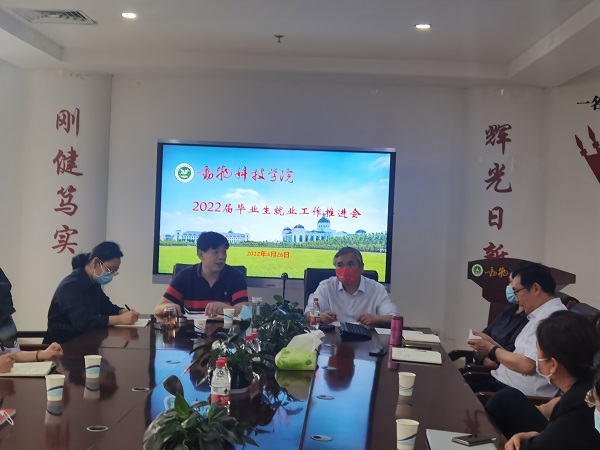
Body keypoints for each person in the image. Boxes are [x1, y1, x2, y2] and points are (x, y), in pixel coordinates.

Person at [492, 311, 600, 449]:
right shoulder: (590, 380)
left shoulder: (576, 412)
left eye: (538, 353)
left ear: (553, 365)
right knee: (507, 397)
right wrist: (535, 435)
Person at [467, 262, 566, 397]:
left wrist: (491, 349)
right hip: (500, 384)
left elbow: (528, 366)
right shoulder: (537, 315)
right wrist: (491, 343)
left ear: (536, 289)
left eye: (516, 291)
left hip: (514, 395)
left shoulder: (551, 319)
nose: (516, 298)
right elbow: (520, 356)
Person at [44, 241, 140, 344]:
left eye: (114, 272)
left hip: (85, 341)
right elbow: (81, 322)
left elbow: (105, 306)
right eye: (110, 269)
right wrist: (119, 319)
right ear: (95, 262)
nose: (111, 274)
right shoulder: (71, 285)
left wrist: (121, 311)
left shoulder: (93, 283)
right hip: (63, 346)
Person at [154, 231, 249, 318]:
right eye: (216, 252)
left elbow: (245, 313)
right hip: (190, 330)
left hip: (227, 331)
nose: (221, 257)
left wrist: (225, 308)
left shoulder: (236, 277)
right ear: (201, 254)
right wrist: (170, 307)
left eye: (224, 252)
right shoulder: (185, 276)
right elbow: (158, 309)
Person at [303, 247, 397, 326]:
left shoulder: (376, 289)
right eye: (340, 265)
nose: (345, 270)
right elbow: (308, 313)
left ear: (361, 268)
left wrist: (375, 319)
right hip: (333, 338)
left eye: (350, 264)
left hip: (365, 339)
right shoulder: (326, 286)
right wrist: (320, 316)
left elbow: (393, 318)